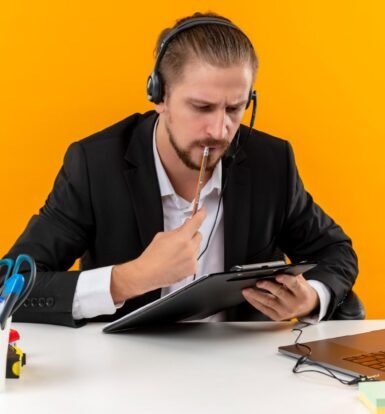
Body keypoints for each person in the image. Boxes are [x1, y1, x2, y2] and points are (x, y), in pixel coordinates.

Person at [3, 12, 358, 327]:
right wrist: (128, 279)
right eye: (201, 107)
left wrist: (312, 296)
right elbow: (7, 286)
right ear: (159, 96)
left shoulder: (271, 161)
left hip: (243, 379)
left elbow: (336, 252)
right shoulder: (96, 166)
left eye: (234, 108)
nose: (220, 130)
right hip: (126, 377)